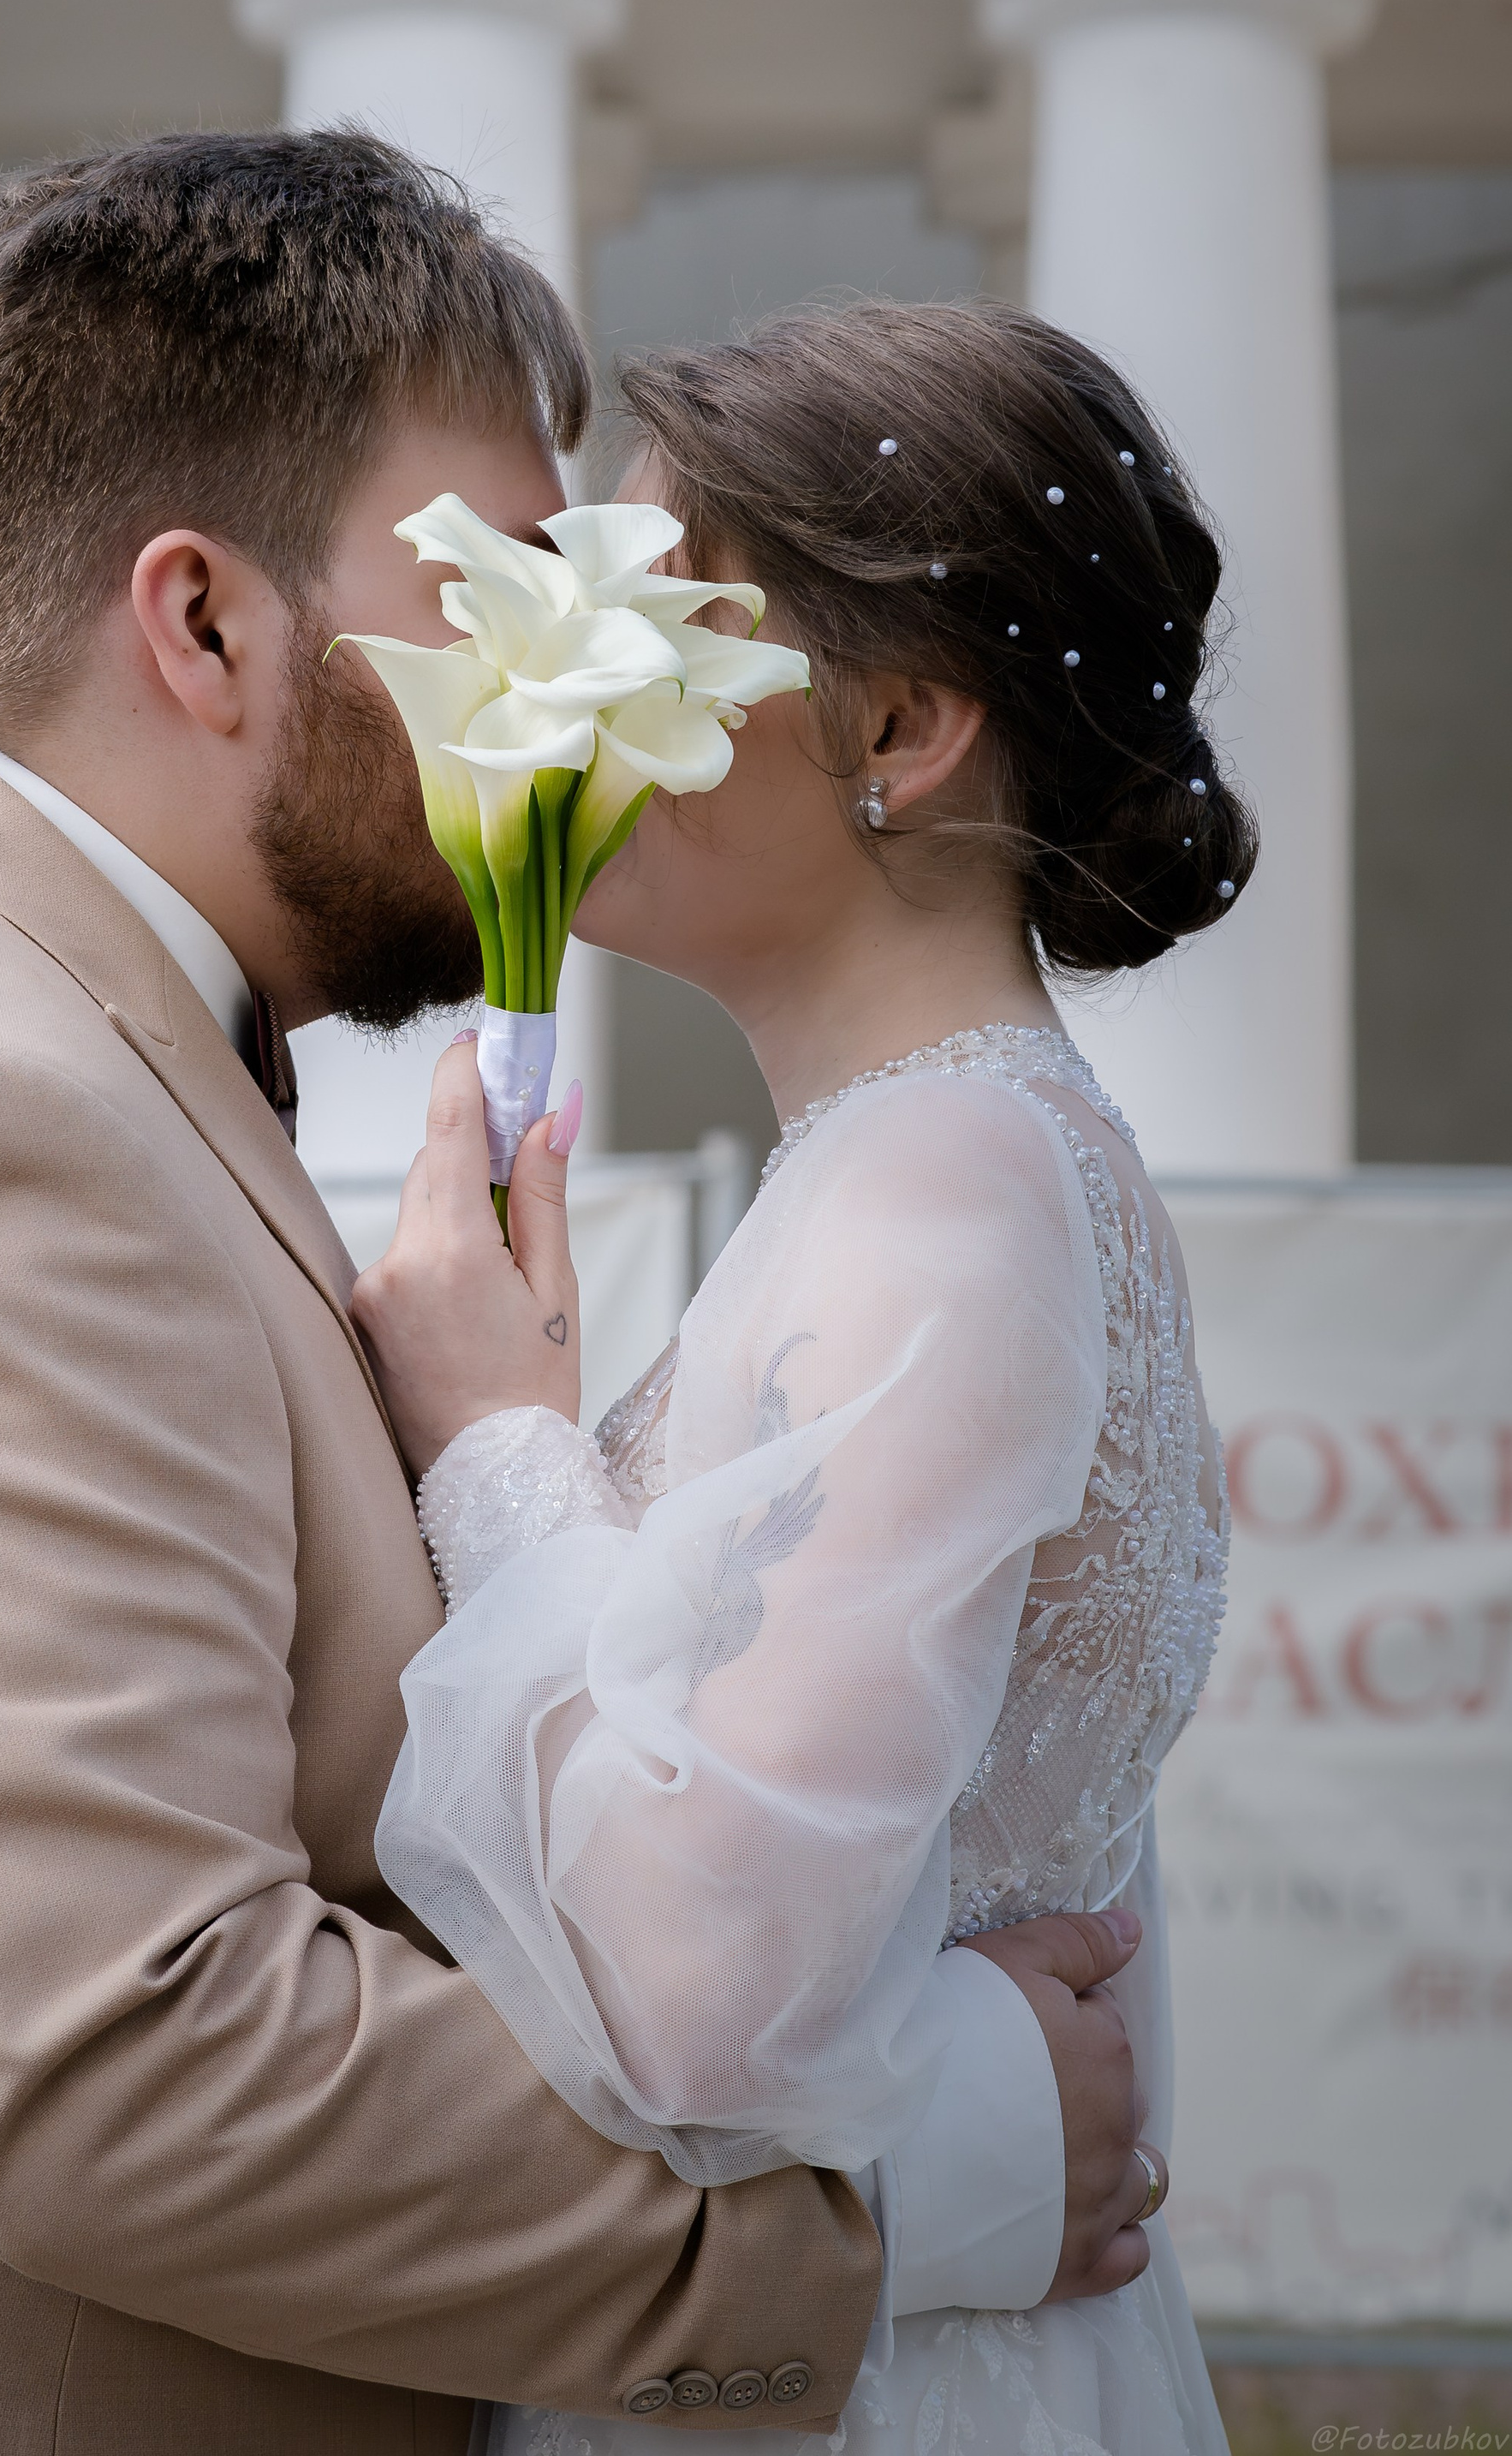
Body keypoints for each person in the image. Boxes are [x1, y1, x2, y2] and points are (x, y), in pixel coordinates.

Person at [0, 150, 1150, 2456]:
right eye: (491, 586)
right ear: (201, 625)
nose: (564, 695)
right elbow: (122, 2055)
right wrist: (913, 2183)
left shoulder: (9, 1022)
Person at [355, 301, 1247, 2455]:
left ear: (900, 726)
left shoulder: (949, 1179)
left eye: (658, 616)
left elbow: (701, 1988)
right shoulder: (950, 1153)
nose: (579, 687)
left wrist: (498, 1449)